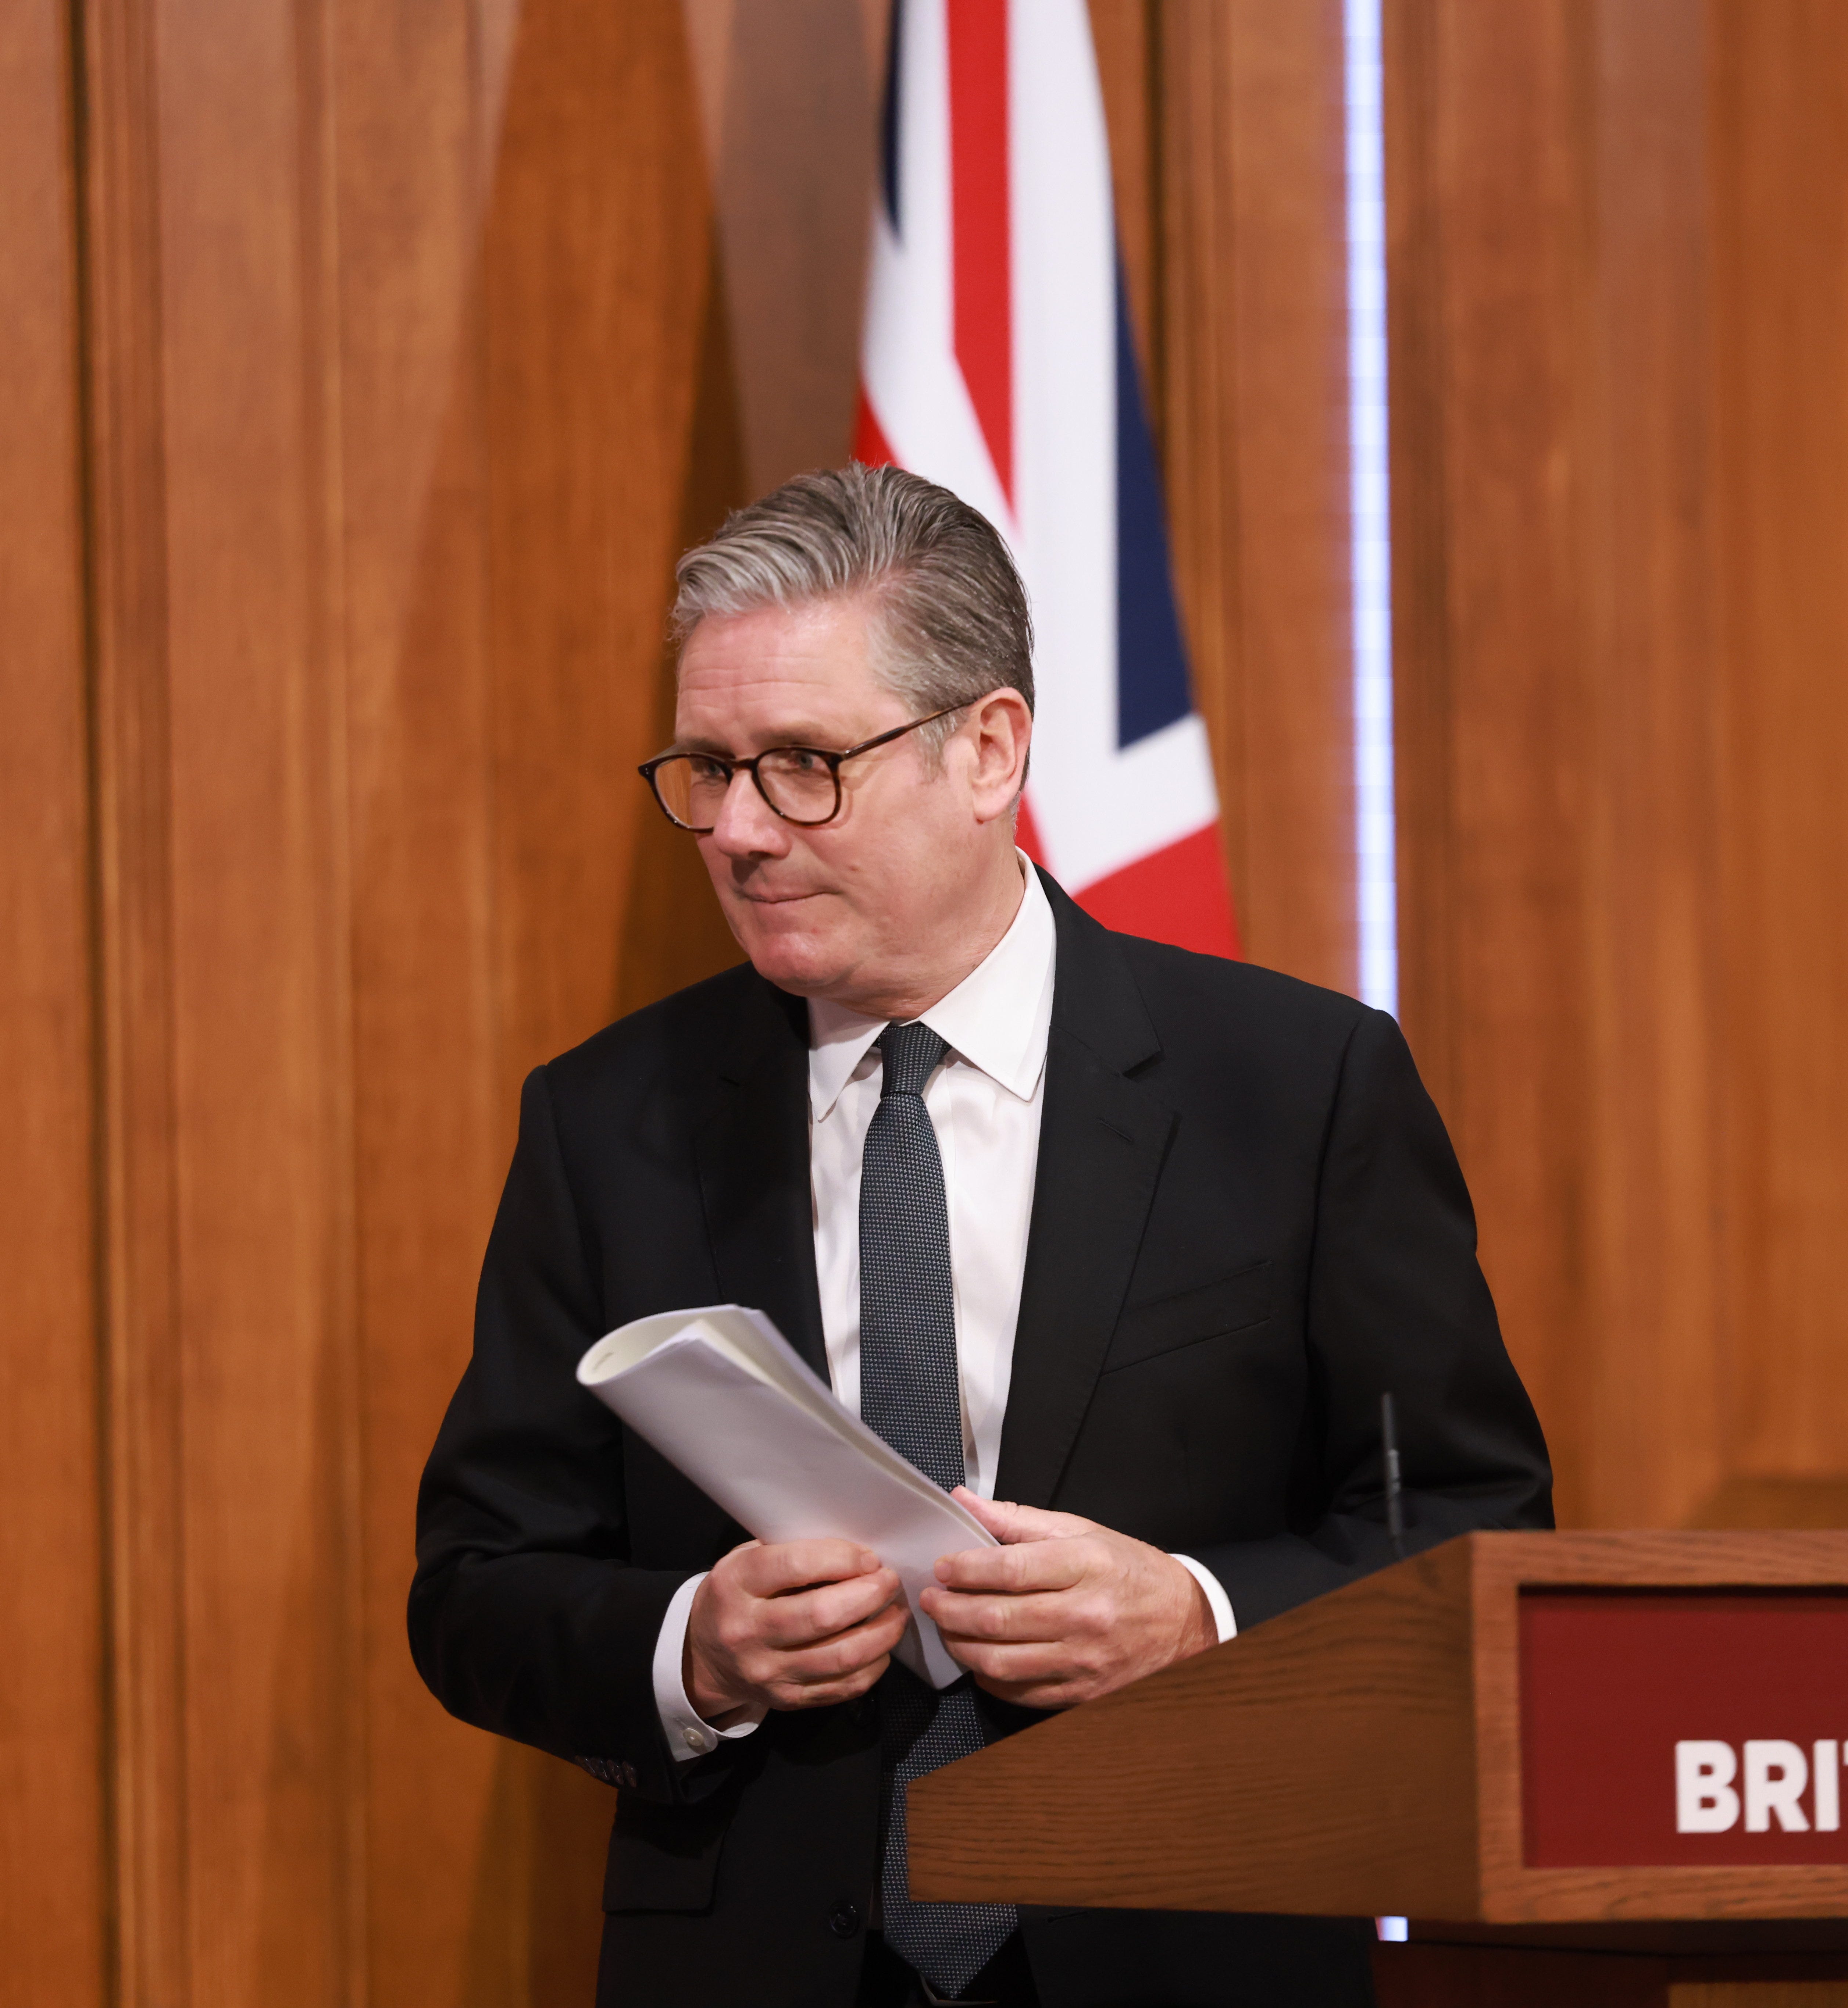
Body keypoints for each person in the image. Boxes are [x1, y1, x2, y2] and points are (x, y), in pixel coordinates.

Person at [410, 463, 1551, 2008]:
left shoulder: (1294, 1087)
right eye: (708, 768)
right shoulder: (609, 1120)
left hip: (1184, 1949)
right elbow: (477, 1586)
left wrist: (1197, 1614)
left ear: (988, 749)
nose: (741, 829)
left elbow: (1479, 1535)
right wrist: (692, 1644)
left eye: (803, 764)